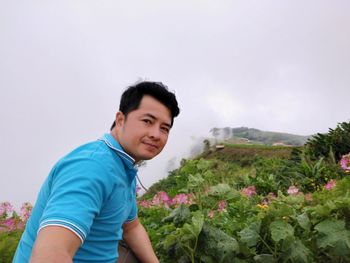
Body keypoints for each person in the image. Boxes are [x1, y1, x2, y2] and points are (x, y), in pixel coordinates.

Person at [13, 81, 180, 263]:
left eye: (164, 128)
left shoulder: (123, 166)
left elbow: (131, 227)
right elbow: (49, 255)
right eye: (147, 121)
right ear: (120, 120)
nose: (156, 134)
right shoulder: (91, 167)